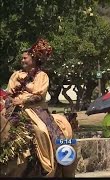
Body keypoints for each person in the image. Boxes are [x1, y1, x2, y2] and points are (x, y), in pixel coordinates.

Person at [5, 38, 66, 176]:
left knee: (42, 130)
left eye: (25, 58)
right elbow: (9, 93)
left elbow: (39, 96)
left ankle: (50, 163)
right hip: (13, 110)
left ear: (33, 59)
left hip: (36, 110)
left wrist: (23, 101)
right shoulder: (16, 75)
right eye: (22, 58)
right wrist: (10, 101)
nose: (22, 60)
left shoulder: (41, 76)